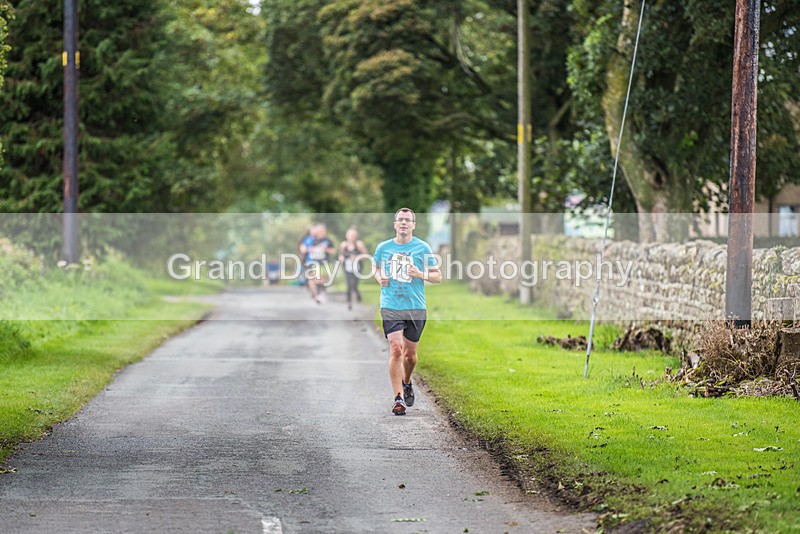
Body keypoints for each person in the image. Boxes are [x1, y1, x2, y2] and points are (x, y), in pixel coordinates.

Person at [373, 208, 441, 415]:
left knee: (410, 356)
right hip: (391, 304)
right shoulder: (383, 248)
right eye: (400, 220)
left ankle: (407, 381)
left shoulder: (422, 248)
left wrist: (420, 273)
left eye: (407, 220)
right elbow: (375, 268)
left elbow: (437, 276)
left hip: (415, 306)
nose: (403, 223)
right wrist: (379, 278)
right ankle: (398, 398)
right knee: (396, 349)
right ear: (395, 224)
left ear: (413, 225)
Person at [300, 223, 336, 304]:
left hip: (324, 263)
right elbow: (305, 249)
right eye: (319, 230)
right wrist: (309, 249)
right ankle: (317, 294)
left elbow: (333, 251)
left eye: (322, 230)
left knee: (322, 280)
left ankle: (319, 293)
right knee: (314, 279)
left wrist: (325, 249)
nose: (320, 232)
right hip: (313, 263)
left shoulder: (328, 240)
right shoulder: (313, 240)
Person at [338, 227, 368, 310]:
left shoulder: (359, 244)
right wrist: (341, 259)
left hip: (357, 268)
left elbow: (365, 256)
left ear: (356, 236)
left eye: (353, 235)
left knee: (354, 285)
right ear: (346, 235)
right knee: (349, 285)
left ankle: (358, 294)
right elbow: (341, 255)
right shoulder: (343, 245)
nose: (351, 237)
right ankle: (349, 303)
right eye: (350, 235)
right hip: (347, 267)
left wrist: (356, 258)